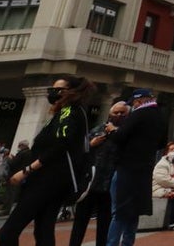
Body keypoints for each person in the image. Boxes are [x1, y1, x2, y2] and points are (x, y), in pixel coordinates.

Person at [0, 75, 97, 246]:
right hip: (55, 182)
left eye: (58, 89)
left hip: (47, 180)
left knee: (8, 233)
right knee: (43, 231)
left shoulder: (69, 112)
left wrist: (27, 170)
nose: (53, 93)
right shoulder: (66, 113)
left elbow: (61, 145)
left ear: (71, 92)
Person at [106, 88, 166, 246]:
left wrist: (112, 131)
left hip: (127, 167)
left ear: (139, 101)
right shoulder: (160, 116)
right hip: (145, 167)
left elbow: (120, 137)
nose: (133, 105)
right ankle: (127, 243)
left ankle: (112, 244)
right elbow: (162, 143)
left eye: (133, 103)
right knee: (134, 211)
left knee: (119, 211)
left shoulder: (138, 114)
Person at [69, 101, 129, 246]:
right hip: (90, 183)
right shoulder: (98, 130)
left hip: (109, 185)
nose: (119, 115)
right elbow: (80, 149)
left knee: (105, 223)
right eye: (116, 112)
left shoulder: (125, 134)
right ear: (110, 114)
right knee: (80, 222)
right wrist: (91, 144)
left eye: (123, 113)